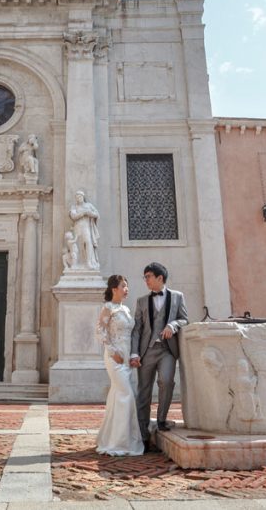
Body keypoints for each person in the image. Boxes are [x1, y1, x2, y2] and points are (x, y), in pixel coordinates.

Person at [130, 261, 188, 445]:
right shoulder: (141, 301)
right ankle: (143, 435)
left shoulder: (178, 297)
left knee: (166, 381)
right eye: (145, 277)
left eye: (148, 277)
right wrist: (134, 353)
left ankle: (161, 420)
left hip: (167, 350)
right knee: (144, 391)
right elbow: (137, 329)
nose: (145, 280)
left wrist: (173, 325)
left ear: (159, 278)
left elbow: (185, 319)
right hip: (146, 352)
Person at [95, 274, 144, 456]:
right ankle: (120, 443)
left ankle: (113, 439)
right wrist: (112, 351)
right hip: (114, 357)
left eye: (127, 285)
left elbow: (132, 335)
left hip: (127, 359)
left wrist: (133, 355)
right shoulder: (108, 308)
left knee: (117, 396)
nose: (127, 289)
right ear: (114, 288)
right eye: (124, 286)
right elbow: (100, 332)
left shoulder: (127, 309)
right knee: (126, 395)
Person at [68, 190, 100, 269]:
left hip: (86, 227)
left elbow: (96, 214)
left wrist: (89, 213)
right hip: (77, 227)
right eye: (77, 197)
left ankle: (88, 262)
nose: (79, 198)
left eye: (80, 196)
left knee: (88, 242)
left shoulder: (89, 205)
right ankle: (76, 263)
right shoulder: (74, 207)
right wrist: (83, 213)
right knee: (78, 244)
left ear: (83, 197)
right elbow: (73, 216)